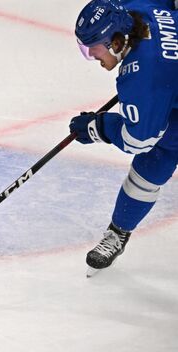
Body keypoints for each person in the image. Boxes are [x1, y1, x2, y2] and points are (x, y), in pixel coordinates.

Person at [69, 0, 178, 274]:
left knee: (156, 151)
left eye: (93, 47)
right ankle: (119, 232)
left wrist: (97, 127)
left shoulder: (142, 77)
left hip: (165, 84)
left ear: (116, 42)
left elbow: (138, 139)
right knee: (153, 163)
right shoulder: (135, 7)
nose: (92, 55)